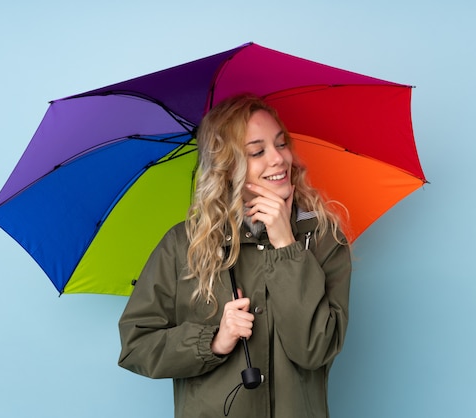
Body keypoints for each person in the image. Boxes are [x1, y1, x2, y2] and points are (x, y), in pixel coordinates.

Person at [118, 94, 352, 418]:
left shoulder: (324, 239)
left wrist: (286, 245)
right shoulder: (183, 245)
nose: (278, 159)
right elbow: (136, 345)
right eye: (257, 151)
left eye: (281, 144)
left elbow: (314, 350)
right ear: (227, 167)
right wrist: (213, 341)